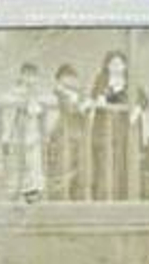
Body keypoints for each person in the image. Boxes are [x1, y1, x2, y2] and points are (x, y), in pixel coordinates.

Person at [89, 50, 148, 201]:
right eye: (112, 63)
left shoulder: (130, 82)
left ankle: (124, 198)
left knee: (124, 163)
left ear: (125, 66)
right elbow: (96, 98)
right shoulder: (101, 80)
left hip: (124, 129)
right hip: (105, 129)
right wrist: (103, 96)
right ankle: (104, 199)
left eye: (119, 63)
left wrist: (137, 109)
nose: (116, 66)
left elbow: (144, 99)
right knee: (105, 164)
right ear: (107, 65)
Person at [4, 62, 49, 201]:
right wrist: (22, 102)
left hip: (33, 134)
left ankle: (32, 197)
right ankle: (13, 195)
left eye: (33, 76)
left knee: (34, 166)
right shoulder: (14, 91)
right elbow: (6, 101)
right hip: (17, 134)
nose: (30, 79)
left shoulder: (37, 94)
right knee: (16, 165)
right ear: (21, 75)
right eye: (27, 75)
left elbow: (41, 108)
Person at [46, 64, 88, 200]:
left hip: (79, 134)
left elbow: (84, 107)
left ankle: (74, 201)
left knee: (79, 172)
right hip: (63, 134)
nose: (69, 83)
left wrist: (81, 102)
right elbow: (69, 107)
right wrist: (77, 102)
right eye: (64, 80)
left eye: (72, 79)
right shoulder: (60, 91)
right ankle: (60, 201)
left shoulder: (79, 93)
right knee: (62, 170)